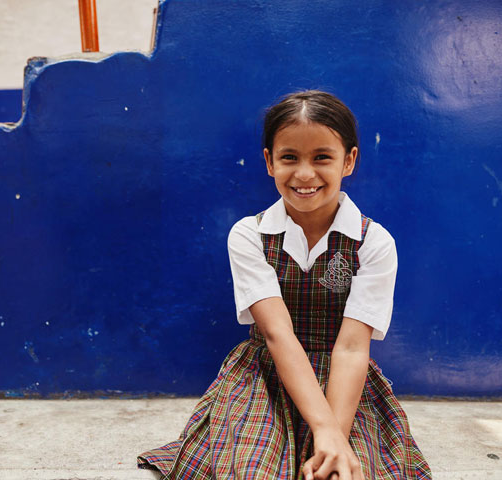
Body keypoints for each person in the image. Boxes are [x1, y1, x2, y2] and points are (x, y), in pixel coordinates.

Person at [137, 90, 432, 480]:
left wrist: (332, 437)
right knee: (254, 470)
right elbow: (278, 336)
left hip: (343, 385)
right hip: (267, 374)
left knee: (346, 472)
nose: (305, 174)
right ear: (268, 162)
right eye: (289, 157)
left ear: (349, 160)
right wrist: (322, 430)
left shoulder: (373, 242)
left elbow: (350, 346)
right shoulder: (249, 235)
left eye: (322, 157)